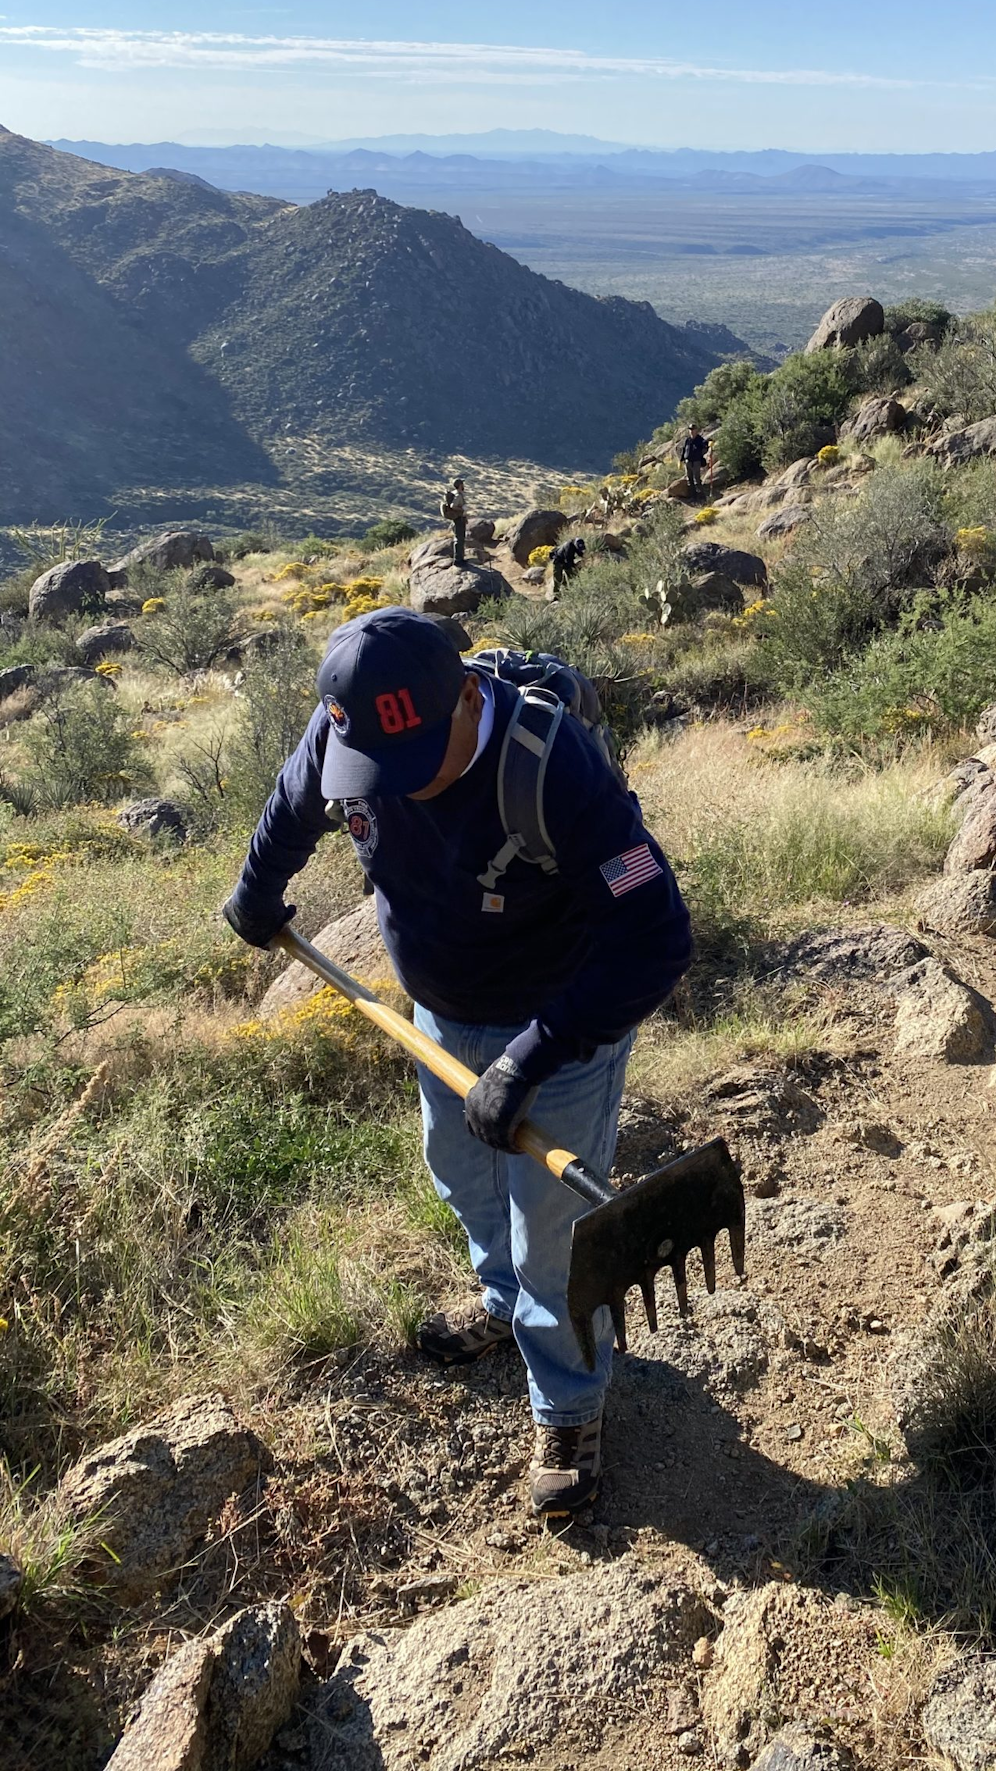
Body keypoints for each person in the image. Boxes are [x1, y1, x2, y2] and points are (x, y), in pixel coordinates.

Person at [222, 608, 692, 1517]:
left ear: (467, 701)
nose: (394, 791)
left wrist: (535, 1056)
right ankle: (499, 1297)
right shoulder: (350, 726)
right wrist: (254, 892)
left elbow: (656, 937)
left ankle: (567, 1405)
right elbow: (293, 804)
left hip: (556, 1022)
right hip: (438, 1014)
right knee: (463, 1174)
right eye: (374, 776)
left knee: (550, 1230)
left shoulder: (554, 768)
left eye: (414, 766)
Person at [440, 476, 469, 565]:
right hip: (459, 519)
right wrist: (462, 510)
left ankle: (460, 558)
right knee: (459, 539)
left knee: (460, 538)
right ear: (460, 485)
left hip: (459, 518)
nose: (463, 485)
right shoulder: (458, 495)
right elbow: (453, 506)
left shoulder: (455, 493)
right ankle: (458, 559)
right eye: (462, 484)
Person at [679, 425, 710, 501]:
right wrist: (681, 460)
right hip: (688, 462)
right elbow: (684, 450)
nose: (691, 431)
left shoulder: (700, 440)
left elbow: (706, 444)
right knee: (690, 480)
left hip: (696, 462)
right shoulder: (688, 440)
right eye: (690, 429)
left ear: (696, 430)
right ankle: (693, 497)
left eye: (693, 429)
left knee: (697, 480)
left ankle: (702, 497)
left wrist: (710, 443)